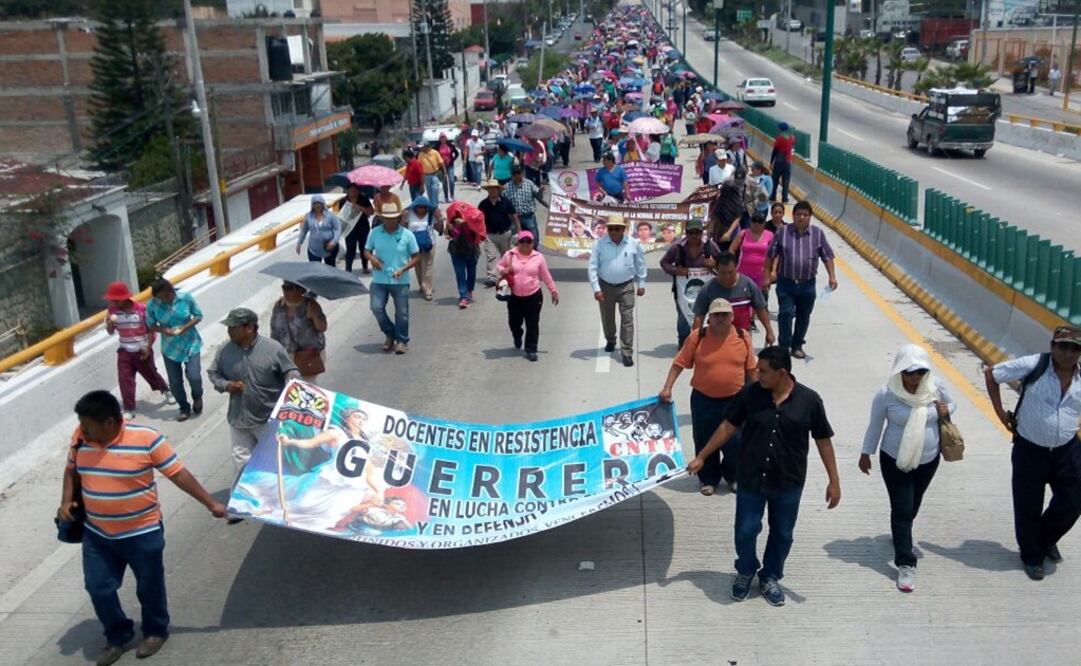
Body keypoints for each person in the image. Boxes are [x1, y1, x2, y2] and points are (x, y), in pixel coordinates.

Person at [58, 390, 226, 666]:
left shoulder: (146, 439)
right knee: (98, 588)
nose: (82, 430)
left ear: (110, 422)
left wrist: (211, 504)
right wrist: (66, 501)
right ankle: (117, 635)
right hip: (98, 534)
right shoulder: (80, 439)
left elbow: (178, 474)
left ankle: (155, 631)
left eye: (88, 425)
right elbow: (70, 471)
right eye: (81, 424)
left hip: (142, 533)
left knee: (149, 586)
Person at [688, 346, 841, 606]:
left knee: (782, 533)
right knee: (746, 530)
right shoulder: (750, 394)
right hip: (750, 479)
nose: (757, 375)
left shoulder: (810, 401)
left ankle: (770, 576)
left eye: (763, 371)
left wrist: (834, 481)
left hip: (788, 482)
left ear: (782, 373)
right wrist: (703, 456)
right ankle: (746, 570)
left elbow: (823, 440)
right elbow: (728, 425)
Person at [984, 325, 1081, 581]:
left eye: (1075, 348)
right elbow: (992, 374)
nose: (1069, 353)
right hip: (1030, 449)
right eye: (1063, 346)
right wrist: (1000, 413)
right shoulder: (1035, 364)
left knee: (1072, 503)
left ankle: (1045, 538)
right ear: (1052, 346)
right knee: (1028, 506)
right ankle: (1031, 555)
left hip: (1067, 450)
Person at [860, 344, 955, 592]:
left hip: (928, 458)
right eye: (909, 372)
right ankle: (905, 562)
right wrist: (865, 453)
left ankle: (901, 533)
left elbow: (952, 405)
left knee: (913, 504)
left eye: (920, 372)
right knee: (902, 508)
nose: (915, 378)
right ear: (900, 371)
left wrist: (946, 409)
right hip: (894, 460)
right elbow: (875, 425)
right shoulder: (886, 394)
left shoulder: (936, 387)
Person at [660, 298, 756, 495]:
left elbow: (751, 369)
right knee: (704, 438)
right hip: (703, 399)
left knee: (736, 442)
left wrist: (756, 395)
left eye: (725, 315)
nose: (721, 318)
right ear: (709, 318)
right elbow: (679, 363)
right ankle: (708, 478)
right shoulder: (698, 336)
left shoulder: (742, 336)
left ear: (732, 317)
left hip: (735, 399)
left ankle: (733, 476)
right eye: (716, 315)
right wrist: (667, 387)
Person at [208, 308, 300, 485]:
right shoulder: (224, 350)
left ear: (249, 328)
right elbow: (213, 373)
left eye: (233, 327)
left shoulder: (273, 349)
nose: (229, 331)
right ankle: (242, 502)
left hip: (268, 419)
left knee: (274, 461)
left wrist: (292, 379)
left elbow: (290, 370)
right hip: (238, 417)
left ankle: (278, 499)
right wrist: (226, 385)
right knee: (241, 461)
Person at [766, 200, 838, 359]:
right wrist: (768, 275)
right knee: (785, 313)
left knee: (804, 316)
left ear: (810, 217)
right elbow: (771, 254)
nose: (802, 217)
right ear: (793, 215)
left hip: (807, 284)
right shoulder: (782, 232)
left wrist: (832, 276)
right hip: (786, 283)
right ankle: (784, 346)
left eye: (805, 215)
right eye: (799, 214)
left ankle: (797, 345)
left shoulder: (818, 234)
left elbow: (827, 256)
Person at [104, 282, 172, 420]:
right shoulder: (112, 311)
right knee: (125, 380)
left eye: (116, 299)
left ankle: (166, 389)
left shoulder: (141, 309)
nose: (114, 302)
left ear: (124, 298)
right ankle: (129, 408)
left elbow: (151, 331)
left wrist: (147, 347)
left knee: (151, 374)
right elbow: (110, 332)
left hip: (141, 350)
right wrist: (110, 325)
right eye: (112, 300)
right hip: (124, 351)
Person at [588, 213, 647, 367]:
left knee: (627, 319)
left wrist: (641, 284)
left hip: (626, 286)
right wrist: (596, 288)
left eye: (617, 228)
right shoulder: (599, 244)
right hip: (605, 286)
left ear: (623, 229)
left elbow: (640, 264)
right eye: (611, 229)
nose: (614, 231)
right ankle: (610, 340)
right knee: (608, 317)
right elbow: (593, 267)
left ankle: (626, 351)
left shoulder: (633, 244)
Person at [364, 201, 421, 354]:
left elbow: (416, 257)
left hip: (400, 281)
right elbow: (366, 250)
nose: (390, 221)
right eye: (387, 218)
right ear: (382, 218)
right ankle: (390, 333)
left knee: (402, 313)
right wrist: (372, 259)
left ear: (398, 218)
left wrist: (403, 269)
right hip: (379, 279)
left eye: (393, 218)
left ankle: (402, 341)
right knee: (376, 308)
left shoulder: (407, 235)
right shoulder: (375, 232)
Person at [496, 231, 560, 361]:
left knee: (532, 323)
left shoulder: (538, 257)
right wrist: (503, 270)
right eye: (522, 242)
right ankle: (517, 335)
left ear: (532, 243)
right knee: (514, 321)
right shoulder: (510, 255)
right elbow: (499, 265)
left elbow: (546, 276)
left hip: (533, 295)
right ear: (518, 243)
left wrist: (554, 292)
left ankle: (531, 349)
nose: (525, 244)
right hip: (514, 296)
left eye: (528, 242)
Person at [145, 278, 203, 422]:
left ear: (171, 291)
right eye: (160, 297)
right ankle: (184, 408)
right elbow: (151, 325)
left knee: (194, 375)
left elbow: (198, 315)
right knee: (175, 381)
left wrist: (185, 327)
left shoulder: (185, 298)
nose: (164, 300)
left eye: (167, 296)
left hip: (190, 342)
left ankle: (197, 396)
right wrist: (164, 329)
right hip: (170, 347)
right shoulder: (152, 305)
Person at [692, 252, 776, 345]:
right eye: (723, 273)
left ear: (736, 267)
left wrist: (769, 331)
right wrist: (695, 339)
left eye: (730, 272)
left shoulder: (748, 284)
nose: (727, 276)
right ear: (716, 269)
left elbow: (760, 308)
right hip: (716, 337)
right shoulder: (708, 288)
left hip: (742, 337)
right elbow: (699, 316)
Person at [269, 281, 327, 383]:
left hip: (308, 355)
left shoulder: (310, 305)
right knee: (289, 390)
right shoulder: (279, 306)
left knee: (307, 388)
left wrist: (314, 316)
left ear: (300, 289)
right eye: (284, 287)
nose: (285, 291)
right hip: (286, 355)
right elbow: (274, 330)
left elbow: (322, 327)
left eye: (290, 288)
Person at [478, 179, 521, 286]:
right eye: (490, 189)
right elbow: (479, 219)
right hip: (490, 234)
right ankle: (492, 278)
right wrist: (480, 233)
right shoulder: (483, 204)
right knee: (491, 256)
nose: (492, 191)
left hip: (505, 234)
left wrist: (519, 231)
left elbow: (514, 216)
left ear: (498, 190)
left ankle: (506, 275)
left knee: (506, 256)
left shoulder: (506, 202)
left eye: (494, 189)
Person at [730, 213, 775, 312]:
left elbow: (774, 254)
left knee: (757, 298)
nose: (756, 224)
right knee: (743, 297)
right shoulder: (743, 233)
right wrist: (732, 265)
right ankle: (747, 320)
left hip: (761, 273)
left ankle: (752, 319)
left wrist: (772, 271)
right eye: (754, 221)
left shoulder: (770, 235)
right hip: (743, 272)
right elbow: (732, 250)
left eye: (760, 222)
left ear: (764, 223)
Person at [445, 204, 485, 309]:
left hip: (471, 249)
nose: (457, 214)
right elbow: (448, 235)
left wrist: (466, 222)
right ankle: (463, 296)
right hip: (457, 250)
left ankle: (469, 290)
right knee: (460, 273)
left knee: (471, 272)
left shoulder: (473, 217)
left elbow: (478, 227)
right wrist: (450, 228)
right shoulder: (452, 221)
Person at [404, 196, 439, 301]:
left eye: (424, 207)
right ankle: (422, 285)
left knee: (428, 267)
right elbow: (402, 229)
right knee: (418, 267)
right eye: (419, 206)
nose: (422, 209)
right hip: (413, 245)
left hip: (429, 244)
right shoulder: (409, 214)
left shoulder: (431, 214)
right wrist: (402, 218)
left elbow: (440, 229)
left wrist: (439, 218)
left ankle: (428, 290)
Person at [295, 195, 342, 266]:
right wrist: (299, 243)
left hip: (330, 247)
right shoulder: (308, 216)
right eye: (315, 204)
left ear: (323, 204)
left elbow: (338, 229)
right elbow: (304, 231)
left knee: (331, 269)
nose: (317, 206)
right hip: (314, 249)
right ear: (312, 205)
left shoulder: (331, 216)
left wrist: (334, 242)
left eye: (319, 203)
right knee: (315, 270)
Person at [504, 165, 543, 240]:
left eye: (518, 173)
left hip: (528, 216)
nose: (517, 176)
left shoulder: (529, 184)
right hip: (514, 219)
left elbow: (538, 195)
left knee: (533, 239)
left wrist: (540, 191)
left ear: (522, 173)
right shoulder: (507, 187)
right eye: (514, 174)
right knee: (514, 241)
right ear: (511, 175)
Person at [342, 187, 374, 274]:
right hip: (349, 228)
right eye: (351, 190)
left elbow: (371, 212)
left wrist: (361, 208)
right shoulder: (343, 200)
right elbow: (340, 215)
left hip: (362, 227)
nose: (353, 192)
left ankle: (365, 266)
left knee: (363, 247)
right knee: (350, 248)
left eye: (355, 190)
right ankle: (348, 269)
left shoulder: (363, 199)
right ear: (347, 190)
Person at [770, 122, 795, 203]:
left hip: (779, 161)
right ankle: (784, 198)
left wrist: (771, 161)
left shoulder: (779, 138)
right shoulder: (792, 138)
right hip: (788, 161)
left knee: (775, 180)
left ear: (781, 129)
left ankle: (773, 196)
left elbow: (775, 150)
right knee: (786, 181)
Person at [436, 133, 459, 200]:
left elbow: (456, 153)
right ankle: (446, 197)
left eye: (444, 137)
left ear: (446, 138)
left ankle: (452, 195)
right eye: (441, 138)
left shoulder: (450, 145)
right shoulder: (437, 147)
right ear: (439, 139)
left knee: (451, 180)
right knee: (444, 181)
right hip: (441, 167)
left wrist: (453, 159)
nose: (443, 139)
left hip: (450, 165)